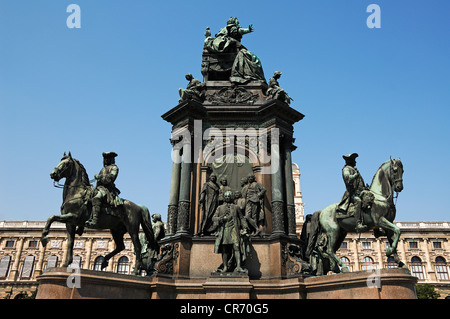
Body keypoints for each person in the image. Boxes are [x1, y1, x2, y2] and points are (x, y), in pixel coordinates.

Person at [211, 191, 250, 273]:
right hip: (225, 229)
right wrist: (220, 219)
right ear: (224, 198)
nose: (228, 197)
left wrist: (245, 228)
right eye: (226, 196)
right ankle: (225, 267)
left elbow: (242, 218)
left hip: (234, 229)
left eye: (229, 196)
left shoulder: (236, 207)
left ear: (231, 197)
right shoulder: (220, 208)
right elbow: (213, 218)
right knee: (225, 249)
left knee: (236, 247)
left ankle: (238, 266)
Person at [86, 152, 122, 228]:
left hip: (107, 190)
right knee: (86, 196)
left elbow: (110, 179)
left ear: (111, 159)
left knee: (96, 198)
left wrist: (99, 177)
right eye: (104, 159)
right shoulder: (103, 169)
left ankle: (95, 221)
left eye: (106, 158)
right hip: (99, 188)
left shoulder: (114, 168)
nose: (105, 160)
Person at [337, 153, 368, 232]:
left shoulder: (354, 170)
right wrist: (354, 176)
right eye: (353, 160)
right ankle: (358, 224)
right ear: (349, 161)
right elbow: (347, 178)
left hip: (360, 192)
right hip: (352, 194)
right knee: (358, 201)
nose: (355, 162)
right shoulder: (346, 169)